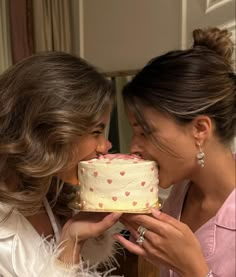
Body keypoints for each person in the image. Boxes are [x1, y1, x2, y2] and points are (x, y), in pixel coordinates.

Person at [113, 27, 236, 277]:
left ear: (200, 129)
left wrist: (194, 270)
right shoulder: (182, 191)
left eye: (145, 132)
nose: (133, 148)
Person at [0, 52, 123, 276]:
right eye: (96, 131)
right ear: (48, 130)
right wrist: (71, 245)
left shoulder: (52, 193)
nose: (105, 145)